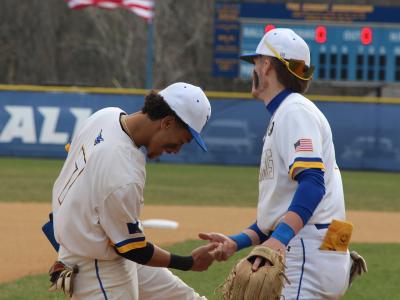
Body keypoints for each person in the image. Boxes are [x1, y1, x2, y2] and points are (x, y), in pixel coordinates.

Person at [200, 28, 352, 299]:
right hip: (310, 247)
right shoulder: (287, 113)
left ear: (267, 65)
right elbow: (277, 214)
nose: (253, 70)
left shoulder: (294, 112)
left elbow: (313, 185)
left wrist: (280, 239)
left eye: (255, 62)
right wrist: (236, 242)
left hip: (305, 252)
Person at [48, 82, 216, 299]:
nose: (177, 150)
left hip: (101, 247)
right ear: (166, 122)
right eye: (181, 141)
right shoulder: (124, 172)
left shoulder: (106, 116)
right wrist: (188, 263)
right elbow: (133, 249)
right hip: (99, 270)